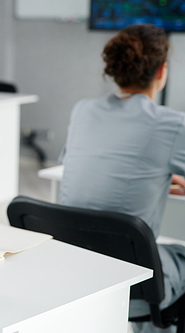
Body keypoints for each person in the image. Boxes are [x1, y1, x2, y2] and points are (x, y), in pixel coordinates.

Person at [59, 23, 185, 333]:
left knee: (143, 252)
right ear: (161, 71)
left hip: (72, 270)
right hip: (133, 284)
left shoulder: (82, 110)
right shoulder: (172, 124)